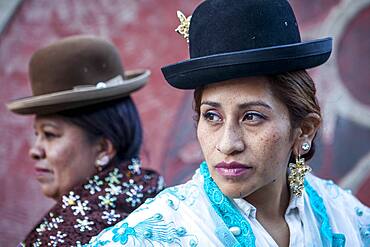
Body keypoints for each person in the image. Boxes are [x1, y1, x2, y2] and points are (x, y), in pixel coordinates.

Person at [86, 1, 369, 246]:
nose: (227, 143)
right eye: (212, 116)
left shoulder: (343, 216)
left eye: (252, 117)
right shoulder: (155, 235)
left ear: (304, 129)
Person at [6, 35, 165, 246]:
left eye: (50, 134)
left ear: (103, 149)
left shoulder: (65, 238)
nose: (34, 151)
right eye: (38, 135)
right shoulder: (154, 194)